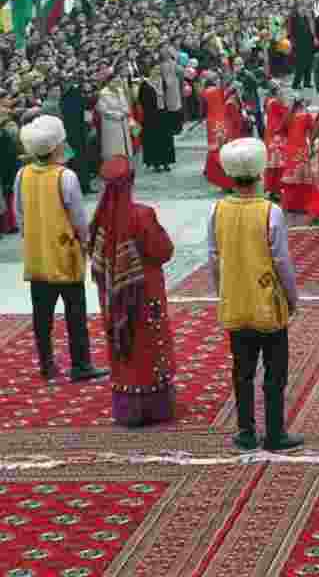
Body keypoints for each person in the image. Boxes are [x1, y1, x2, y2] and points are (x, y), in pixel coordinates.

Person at [208, 137, 302, 452]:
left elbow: (213, 257)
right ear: (259, 174)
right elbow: (282, 261)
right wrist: (293, 297)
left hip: (235, 300)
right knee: (275, 372)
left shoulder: (217, 209)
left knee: (242, 371)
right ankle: (275, 432)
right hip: (267, 304)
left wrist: (221, 291)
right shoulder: (270, 211)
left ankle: (245, 431)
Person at [16, 115, 108, 382]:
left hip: (37, 255)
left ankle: (46, 364)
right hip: (65, 254)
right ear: (57, 146)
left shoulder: (22, 174)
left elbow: (20, 214)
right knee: (75, 312)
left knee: (41, 315)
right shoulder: (66, 177)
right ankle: (80, 364)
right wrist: (85, 243)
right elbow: (78, 219)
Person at [88, 155, 175, 426]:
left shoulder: (100, 219)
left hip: (114, 295)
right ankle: (154, 407)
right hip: (144, 290)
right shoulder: (143, 214)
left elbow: (97, 262)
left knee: (123, 343)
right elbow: (163, 250)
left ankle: (128, 407)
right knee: (148, 341)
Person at [279, 92, 315, 213]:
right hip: (301, 148)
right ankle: (303, 205)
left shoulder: (289, 115)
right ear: (302, 102)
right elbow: (313, 131)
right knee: (303, 178)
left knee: (291, 177)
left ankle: (290, 205)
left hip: (290, 148)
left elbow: (282, 129)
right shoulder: (306, 115)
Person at [138, 64, 175, 173]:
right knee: (154, 139)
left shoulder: (162, 82)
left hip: (163, 113)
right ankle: (156, 163)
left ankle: (166, 162)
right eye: (155, 70)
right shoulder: (145, 84)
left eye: (159, 70)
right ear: (150, 71)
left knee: (165, 138)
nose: (157, 72)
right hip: (151, 116)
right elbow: (141, 100)